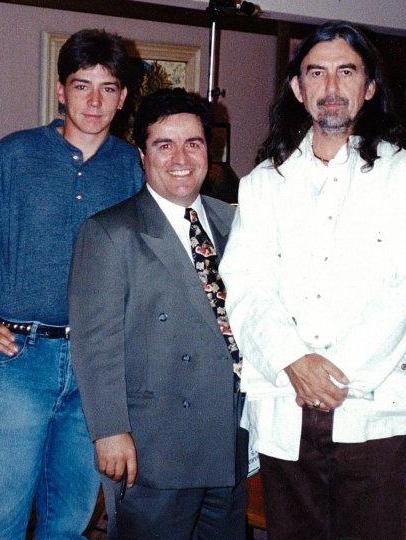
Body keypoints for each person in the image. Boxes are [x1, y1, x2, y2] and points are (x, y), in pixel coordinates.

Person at [220, 20, 406, 540]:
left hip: (377, 411)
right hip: (285, 405)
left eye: (346, 72)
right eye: (316, 73)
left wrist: (335, 377)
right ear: (298, 90)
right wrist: (294, 361)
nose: (330, 87)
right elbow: (247, 284)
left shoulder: (401, 176)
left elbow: (402, 291)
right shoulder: (263, 184)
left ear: (369, 88)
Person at [68, 87, 248, 540]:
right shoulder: (110, 232)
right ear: (143, 157)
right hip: (154, 447)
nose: (181, 158)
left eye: (194, 143)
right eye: (163, 145)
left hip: (227, 436)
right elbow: (95, 343)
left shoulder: (235, 224)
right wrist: (109, 430)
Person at [0, 29, 144, 539]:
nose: (95, 100)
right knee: (4, 515)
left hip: (95, 367)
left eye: (108, 88)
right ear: (61, 90)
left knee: (70, 519)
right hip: (18, 358)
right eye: (83, 85)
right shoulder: (14, 155)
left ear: (123, 97)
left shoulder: (132, 167)